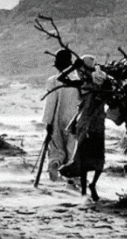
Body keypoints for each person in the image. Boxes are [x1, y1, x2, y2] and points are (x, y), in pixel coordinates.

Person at [58, 55, 109, 203]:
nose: (79, 73)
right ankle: (87, 190)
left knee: (93, 157)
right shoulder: (83, 83)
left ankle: (90, 187)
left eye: (81, 70)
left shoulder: (100, 83)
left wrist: (74, 67)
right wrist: (73, 67)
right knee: (88, 158)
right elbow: (62, 79)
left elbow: (63, 78)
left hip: (91, 123)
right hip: (88, 123)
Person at [42, 49, 80, 182]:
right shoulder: (79, 81)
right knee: (72, 148)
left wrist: (48, 123)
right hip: (74, 119)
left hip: (57, 118)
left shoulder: (52, 81)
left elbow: (50, 103)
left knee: (56, 148)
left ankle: (54, 168)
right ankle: (72, 179)